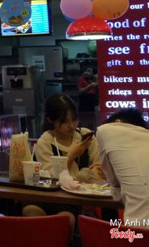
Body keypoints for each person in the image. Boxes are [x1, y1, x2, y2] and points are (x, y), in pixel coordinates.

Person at [23, 94, 101, 228]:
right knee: (32, 212)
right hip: (45, 195)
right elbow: (52, 178)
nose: (72, 125)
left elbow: (98, 169)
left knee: (65, 220)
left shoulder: (86, 137)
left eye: (74, 119)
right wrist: (71, 157)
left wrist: (93, 172)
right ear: (50, 120)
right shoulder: (45, 142)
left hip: (72, 200)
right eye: (64, 121)